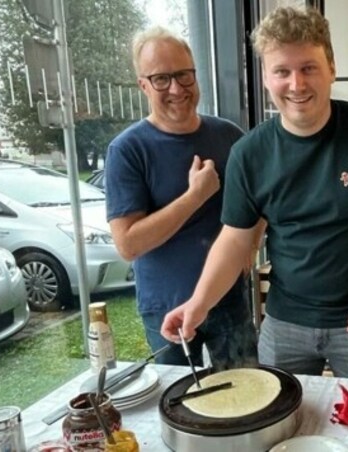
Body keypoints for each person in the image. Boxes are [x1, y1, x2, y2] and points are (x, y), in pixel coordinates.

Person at [161, 6, 348, 378]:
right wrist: (198, 303)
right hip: (284, 323)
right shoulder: (249, 153)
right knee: (281, 420)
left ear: (332, 68)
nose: (296, 84)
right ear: (266, 78)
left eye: (308, 68)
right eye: (282, 71)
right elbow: (235, 240)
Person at [104, 26, 259, 369]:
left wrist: (251, 243)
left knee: (245, 393)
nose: (176, 89)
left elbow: (258, 199)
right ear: (143, 84)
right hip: (165, 308)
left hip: (228, 298)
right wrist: (195, 196)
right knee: (178, 402)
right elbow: (128, 244)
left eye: (184, 75)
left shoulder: (229, 136)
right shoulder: (127, 150)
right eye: (161, 79)